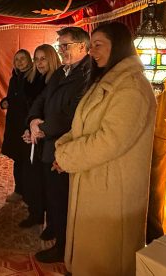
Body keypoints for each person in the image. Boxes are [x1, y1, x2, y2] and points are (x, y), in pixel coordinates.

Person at [54, 22, 156, 276]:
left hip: (113, 192)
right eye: (92, 45)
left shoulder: (131, 88)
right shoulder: (107, 82)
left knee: (106, 262)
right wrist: (63, 148)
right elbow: (82, 127)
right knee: (92, 258)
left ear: (118, 46)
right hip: (96, 183)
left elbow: (108, 141)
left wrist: (65, 155)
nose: (92, 51)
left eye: (98, 45)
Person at [28, 27, 91, 263]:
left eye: (66, 45)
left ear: (82, 47)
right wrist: (33, 121)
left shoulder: (87, 75)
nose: (61, 50)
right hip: (49, 145)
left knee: (62, 200)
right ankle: (54, 229)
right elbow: (41, 99)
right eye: (60, 46)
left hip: (66, 147)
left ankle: (63, 248)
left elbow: (71, 116)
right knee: (51, 194)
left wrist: (42, 129)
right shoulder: (61, 72)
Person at [19, 44, 62, 232]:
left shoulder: (58, 80)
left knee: (49, 183)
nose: (39, 62)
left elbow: (57, 113)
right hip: (35, 135)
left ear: (52, 58)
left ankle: (50, 223)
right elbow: (31, 108)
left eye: (43, 58)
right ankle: (35, 213)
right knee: (33, 178)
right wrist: (29, 128)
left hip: (51, 137)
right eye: (36, 59)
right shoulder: (35, 79)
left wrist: (39, 128)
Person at [0, 50, 43, 207]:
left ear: (29, 60)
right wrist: (5, 101)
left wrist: (29, 126)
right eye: (16, 59)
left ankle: (29, 194)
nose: (19, 62)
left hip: (27, 125)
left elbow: (34, 103)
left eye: (22, 59)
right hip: (14, 125)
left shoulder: (35, 78)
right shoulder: (14, 78)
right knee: (18, 159)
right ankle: (18, 190)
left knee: (28, 161)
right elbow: (13, 98)